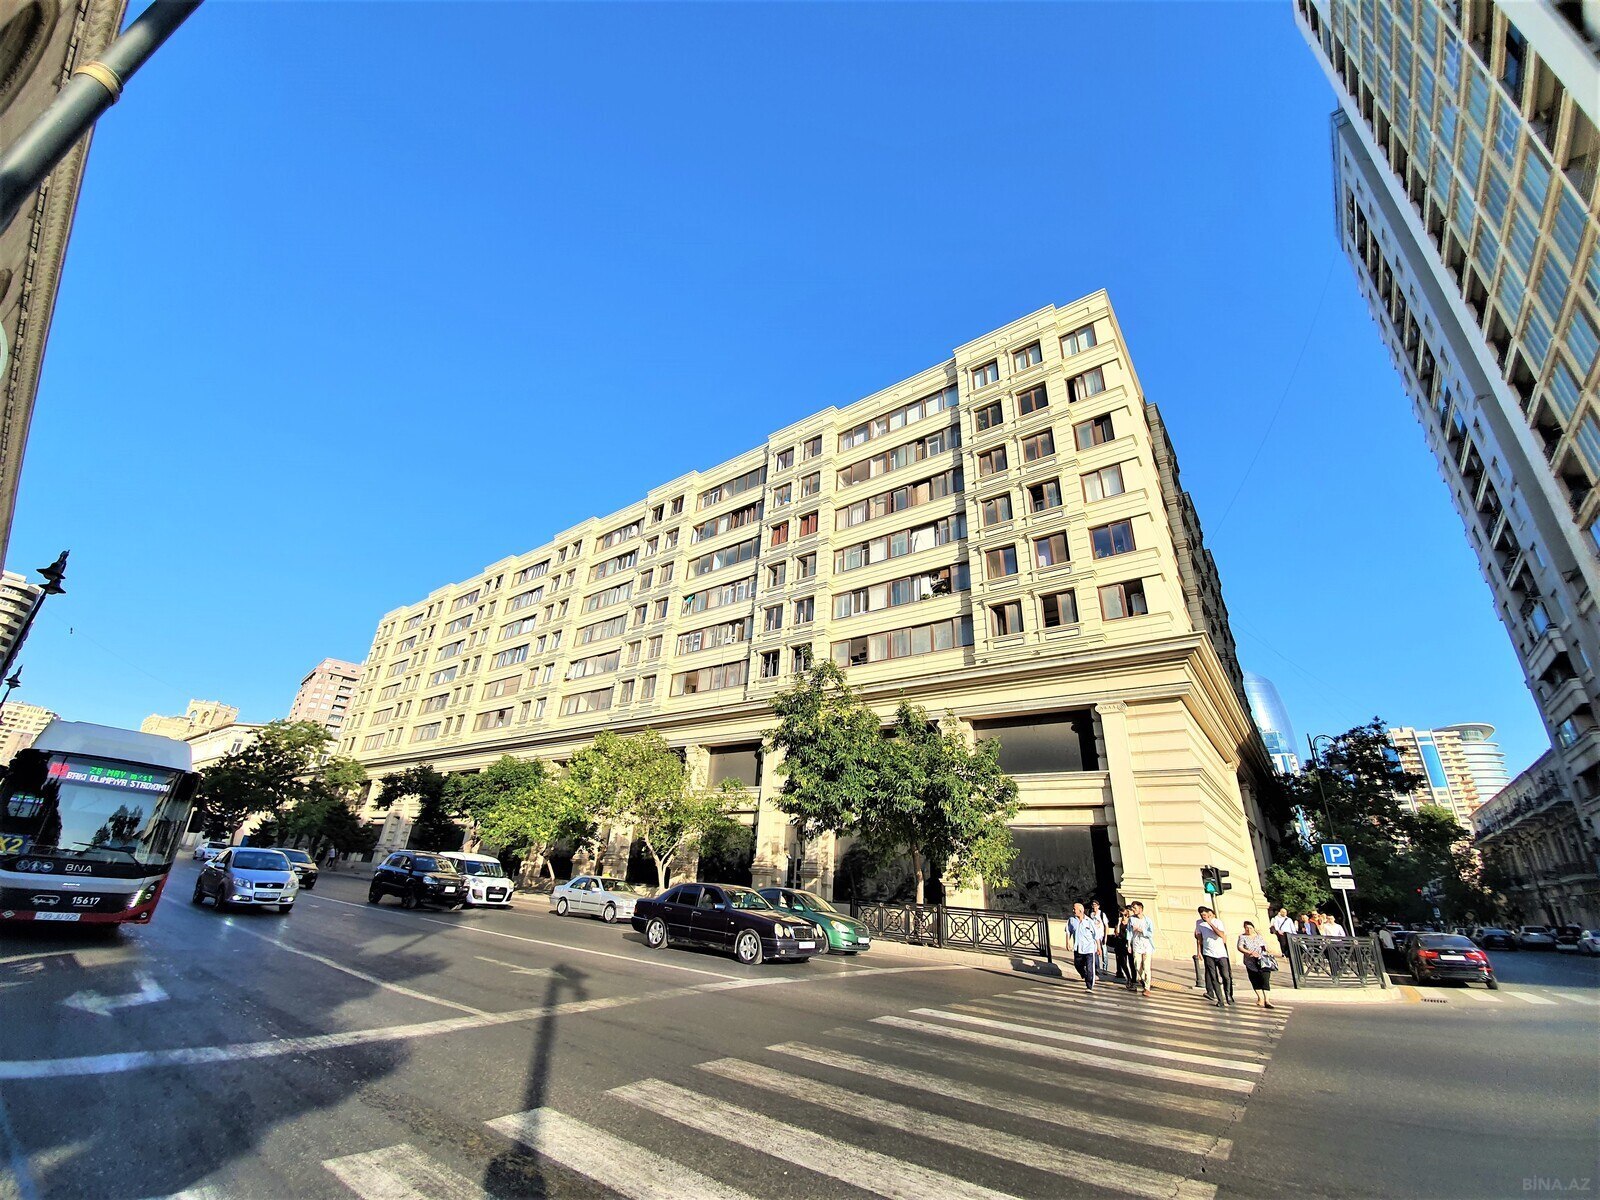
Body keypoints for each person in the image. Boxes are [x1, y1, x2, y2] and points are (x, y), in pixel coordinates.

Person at [1195, 906, 1234, 1007]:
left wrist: (1210, 923)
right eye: (1201, 915)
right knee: (1213, 977)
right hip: (1208, 953)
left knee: (1225, 976)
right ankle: (1220, 1000)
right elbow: (1199, 938)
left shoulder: (1217, 922)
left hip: (1221, 953)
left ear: (1209, 914)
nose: (1203, 917)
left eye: (1205, 915)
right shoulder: (1199, 923)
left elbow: (1221, 934)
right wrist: (1199, 951)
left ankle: (1228, 995)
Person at [1237, 920, 1277, 1009]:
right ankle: (1260, 998)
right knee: (1254, 979)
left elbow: (1264, 947)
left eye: (1250, 928)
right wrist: (1249, 952)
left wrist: (1265, 953)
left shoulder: (1259, 937)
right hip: (1251, 962)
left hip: (1263, 961)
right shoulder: (1242, 937)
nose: (1249, 930)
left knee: (1265, 979)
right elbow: (1240, 947)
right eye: (1246, 928)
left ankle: (1267, 1000)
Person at [1068, 902, 1103, 992]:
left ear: (1080, 911)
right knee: (1077, 965)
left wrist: (1099, 948)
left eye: (1074, 909)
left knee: (1090, 968)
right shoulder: (1072, 920)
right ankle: (1084, 975)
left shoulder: (1089, 921)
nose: (1073, 910)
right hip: (1078, 948)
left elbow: (1096, 936)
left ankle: (1089, 986)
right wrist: (1068, 942)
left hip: (1089, 949)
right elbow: (1068, 931)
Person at [1125, 901, 1155, 996]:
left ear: (1140, 909)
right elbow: (1129, 933)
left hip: (1146, 946)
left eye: (1135, 908)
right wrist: (1129, 945)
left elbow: (1151, 933)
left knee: (1146, 967)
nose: (1133, 910)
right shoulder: (1131, 919)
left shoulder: (1148, 920)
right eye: (1132, 908)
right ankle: (1143, 980)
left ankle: (1147, 987)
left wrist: (1141, 930)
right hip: (1136, 945)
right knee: (1137, 966)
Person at [1088, 900, 1110, 975]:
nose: (1094, 907)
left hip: (1101, 935)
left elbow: (1106, 926)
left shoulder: (1102, 914)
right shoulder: (1091, 914)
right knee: (1095, 951)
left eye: (1096, 905)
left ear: (1098, 906)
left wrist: (1106, 936)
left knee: (1104, 952)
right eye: (1093, 905)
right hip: (1094, 936)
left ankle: (1105, 968)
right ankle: (1097, 967)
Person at [1113, 906, 1133, 982]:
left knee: (1131, 961)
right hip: (1120, 942)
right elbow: (1117, 932)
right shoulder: (1120, 921)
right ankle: (1127, 976)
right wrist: (1119, 923)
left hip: (1128, 942)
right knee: (1122, 960)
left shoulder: (1130, 921)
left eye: (1125, 914)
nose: (1123, 916)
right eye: (1121, 914)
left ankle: (1133, 977)